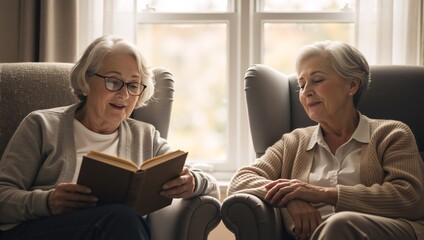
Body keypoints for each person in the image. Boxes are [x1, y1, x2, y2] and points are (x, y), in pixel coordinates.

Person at [0, 35, 219, 239]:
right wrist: (48, 202)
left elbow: (209, 183)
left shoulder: (145, 136)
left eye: (133, 85)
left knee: (122, 219)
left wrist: (192, 182)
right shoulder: (42, 125)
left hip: (117, 230)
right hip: (42, 230)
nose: (124, 94)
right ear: (86, 81)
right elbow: (3, 196)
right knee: (121, 218)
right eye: (113, 81)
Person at [228, 40, 424, 240]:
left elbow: (411, 198)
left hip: (383, 233)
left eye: (317, 80)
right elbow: (240, 181)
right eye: (301, 85)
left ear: (352, 84)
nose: (306, 92)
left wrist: (322, 193)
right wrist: (290, 199)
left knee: (339, 224)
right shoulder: (293, 142)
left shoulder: (392, 134)